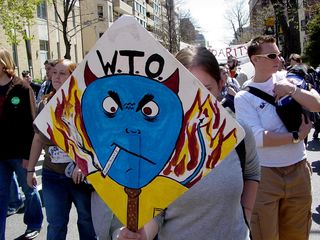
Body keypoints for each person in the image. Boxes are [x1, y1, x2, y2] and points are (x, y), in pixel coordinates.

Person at [114, 46, 260, 240]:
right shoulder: (157, 143)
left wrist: (246, 216)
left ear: (221, 83)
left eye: (206, 89)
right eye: (189, 90)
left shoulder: (238, 133)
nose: (198, 100)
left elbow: (251, 172)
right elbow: (155, 211)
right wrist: (143, 233)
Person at [234, 35, 320, 240]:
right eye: (272, 55)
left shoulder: (288, 79)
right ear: (255, 60)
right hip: (265, 176)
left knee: (297, 234)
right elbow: (257, 138)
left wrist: (291, 90)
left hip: (298, 170)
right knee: (265, 234)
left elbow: (316, 104)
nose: (279, 59)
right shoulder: (243, 97)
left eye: (279, 54)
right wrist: (296, 136)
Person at [27, 59, 96, 240]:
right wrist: (30, 170)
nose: (56, 77)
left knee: (87, 222)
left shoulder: (84, 104)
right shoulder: (45, 104)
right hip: (52, 176)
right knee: (56, 225)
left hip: (80, 178)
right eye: (54, 72)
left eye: (62, 73)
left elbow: (94, 140)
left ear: (73, 76)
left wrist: (82, 164)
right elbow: (37, 139)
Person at [0, 46, 43, 240]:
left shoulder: (21, 87)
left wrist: (29, 157)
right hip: (0, 155)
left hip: (19, 153)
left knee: (29, 189)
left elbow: (30, 124)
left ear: (3, 64)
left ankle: (33, 223)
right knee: (1, 197)